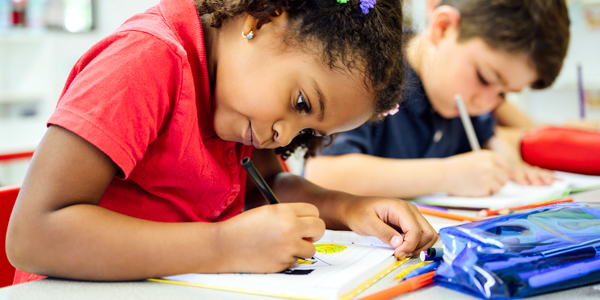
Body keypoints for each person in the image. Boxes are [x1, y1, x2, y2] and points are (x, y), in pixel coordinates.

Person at [6, 0, 437, 284]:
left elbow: (263, 188)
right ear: (260, 21)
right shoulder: (146, 60)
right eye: (302, 102)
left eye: (309, 133)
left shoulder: (238, 99)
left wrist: (350, 207)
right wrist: (226, 245)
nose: (284, 135)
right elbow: (33, 235)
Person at [304, 0, 570, 199]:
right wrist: (447, 175)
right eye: (485, 77)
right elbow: (324, 173)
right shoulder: (371, 73)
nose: (487, 103)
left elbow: (490, 136)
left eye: (503, 93)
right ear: (443, 28)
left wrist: (508, 162)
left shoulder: (463, 98)